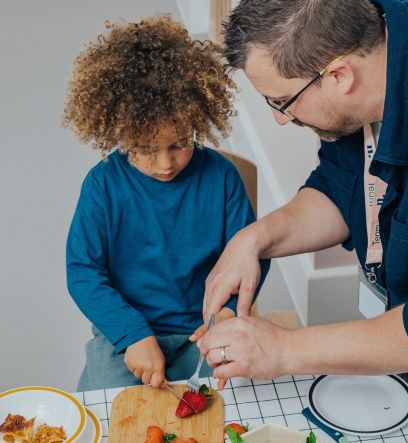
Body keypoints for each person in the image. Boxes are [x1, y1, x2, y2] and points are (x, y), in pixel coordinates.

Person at [196, 0, 408, 443]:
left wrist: (284, 350)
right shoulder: (378, 34)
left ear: (339, 76)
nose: (280, 121)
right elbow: (340, 182)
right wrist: (255, 238)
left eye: (281, 102)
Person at [63, 14, 269, 392]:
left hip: (204, 330)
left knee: (235, 406)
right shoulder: (102, 185)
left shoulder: (221, 177)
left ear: (196, 124)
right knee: (106, 415)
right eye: (145, 149)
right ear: (118, 134)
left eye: (180, 144)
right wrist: (131, 335)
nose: (165, 163)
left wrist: (226, 313)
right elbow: (83, 272)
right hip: (127, 335)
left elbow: (252, 254)